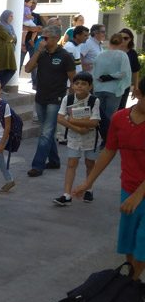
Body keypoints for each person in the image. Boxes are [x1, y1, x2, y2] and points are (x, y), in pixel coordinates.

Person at [72, 76, 145, 280]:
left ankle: (132, 284)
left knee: (143, 242)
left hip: (139, 193)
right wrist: (88, 182)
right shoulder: (120, 118)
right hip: (128, 186)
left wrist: (138, 195)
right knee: (128, 241)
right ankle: (132, 283)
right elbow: (109, 151)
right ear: (138, 94)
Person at [25, 25, 76, 177]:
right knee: (46, 131)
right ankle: (54, 160)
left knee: (46, 132)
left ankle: (37, 165)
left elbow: (73, 79)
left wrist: (71, 101)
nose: (42, 39)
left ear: (55, 38)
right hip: (41, 96)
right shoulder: (41, 53)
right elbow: (27, 69)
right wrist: (38, 50)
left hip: (56, 98)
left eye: (45, 37)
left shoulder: (65, 56)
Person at [53, 72, 100, 206]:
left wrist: (72, 120)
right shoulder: (67, 99)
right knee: (71, 164)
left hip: (91, 138)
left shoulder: (94, 100)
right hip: (74, 137)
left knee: (90, 164)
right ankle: (67, 194)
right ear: (72, 85)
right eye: (77, 83)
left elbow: (94, 122)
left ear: (90, 87)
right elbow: (60, 118)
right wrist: (78, 127)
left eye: (84, 84)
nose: (80, 86)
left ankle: (89, 189)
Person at [93, 33, 132, 146]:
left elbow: (95, 72)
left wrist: (102, 78)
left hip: (99, 88)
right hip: (114, 89)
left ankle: (102, 138)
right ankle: (107, 140)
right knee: (110, 115)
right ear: (121, 43)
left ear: (109, 42)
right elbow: (124, 73)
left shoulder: (100, 54)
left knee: (100, 115)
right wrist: (110, 76)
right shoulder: (122, 55)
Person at [118, 28, 141, 110]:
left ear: (130, 39)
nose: (123, 40)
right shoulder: (113, 50)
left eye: (126, 38)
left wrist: (136, 87)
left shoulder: (132, 53)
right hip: (111, 84)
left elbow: (135, 71)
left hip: (125, 85)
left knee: (121, 107)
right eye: (121, 38)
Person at [0, 10, 17, 87]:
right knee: (1, 69)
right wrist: (12, 38)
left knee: (12, 69)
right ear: (5, 16)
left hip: (10, 50)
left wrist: (12, 38)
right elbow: (8, 38)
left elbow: (15, 39)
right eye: (10, 16)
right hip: (2, 51)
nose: (12, 18)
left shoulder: (10, 27)